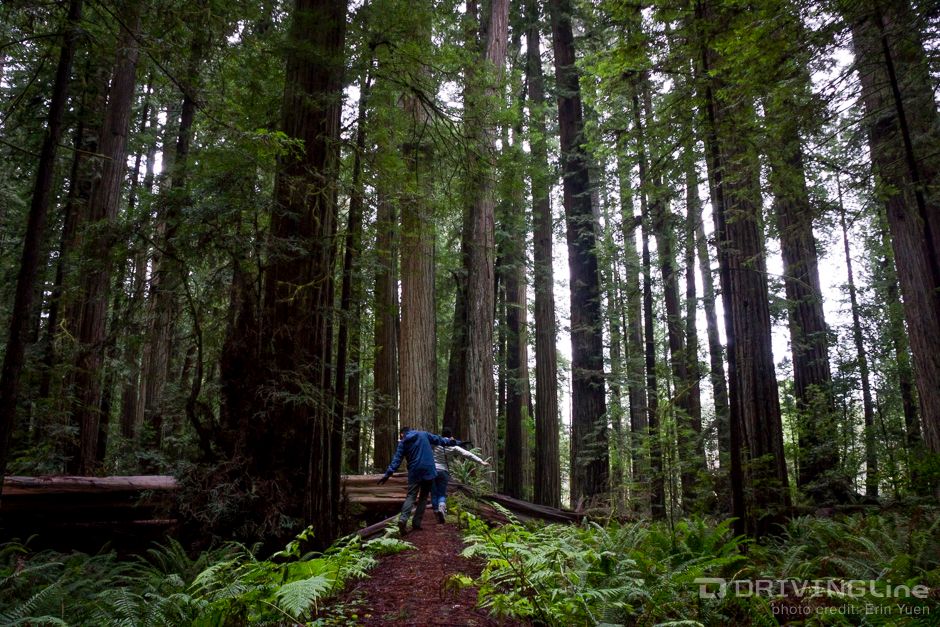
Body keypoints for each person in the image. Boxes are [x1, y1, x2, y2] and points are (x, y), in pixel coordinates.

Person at [377, 426, 454, 535]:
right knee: (423, 497)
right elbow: (439, 440)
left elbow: (397, 460)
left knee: (411, 496)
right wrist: (453, 442)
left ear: (402, 434)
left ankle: (403, 519)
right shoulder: (424, 434)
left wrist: (388, 474)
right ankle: (416, 523)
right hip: (428, 470)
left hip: (414, 472)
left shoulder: (403, 442)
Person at [431, 427, 488, 523]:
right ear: (451, 436)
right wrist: (481, 461)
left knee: (434, 492)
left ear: (441, 434)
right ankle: (441, 508)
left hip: (433, 471)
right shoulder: (453, 447)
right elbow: (467, 454)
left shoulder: (436, 443)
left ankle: (436, 511)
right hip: (444, 471)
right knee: (441, 493)